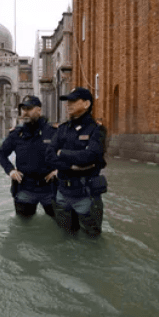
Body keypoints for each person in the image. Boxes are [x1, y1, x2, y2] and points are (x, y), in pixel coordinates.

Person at [46, 87, 107, 237]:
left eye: (73, 101)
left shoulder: (96, 130)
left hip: (85, 195)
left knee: (91, 241)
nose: (69, 104)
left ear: (86, 104)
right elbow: (49, 155)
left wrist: (62, 153)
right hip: (62, 194)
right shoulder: (63, 129)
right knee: (65, 237)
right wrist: (71, 165)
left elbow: (91, 156)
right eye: (68, 101)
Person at [0, 95, 58, 217]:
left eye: (29, 109)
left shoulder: (53, 132)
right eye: (23, 109)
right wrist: (10, 170)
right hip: (25, 187)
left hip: (50, 188)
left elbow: (68, 151)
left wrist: (59, 170)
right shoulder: (16, 133)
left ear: (39, 110)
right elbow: (1, 153)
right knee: (23, 226)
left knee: (59, 224)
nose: (25, 112)